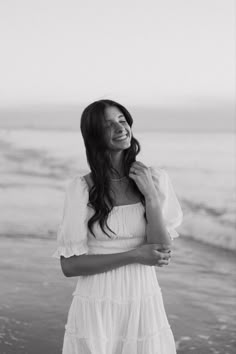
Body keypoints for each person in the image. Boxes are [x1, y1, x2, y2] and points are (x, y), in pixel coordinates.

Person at [52, 99, 183, 354]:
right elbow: (69, 265)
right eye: (108, 124)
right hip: (97, 303)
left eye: (122, 120)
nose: (119, 127)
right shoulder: (81, 189)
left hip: (143, 300)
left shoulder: (155, 178)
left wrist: (152, 197)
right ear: (94, 136)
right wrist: (134, 254)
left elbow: (162, 251)